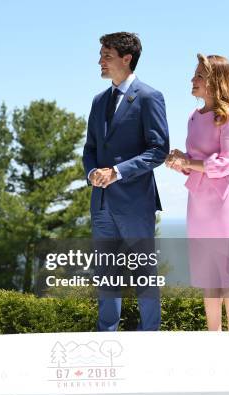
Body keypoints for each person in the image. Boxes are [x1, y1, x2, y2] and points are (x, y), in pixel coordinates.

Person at [82, 32, 169, 331]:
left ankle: (150, 336)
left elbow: (159, 150)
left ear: (126, 58)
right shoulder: (98, 101)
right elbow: (90, 149)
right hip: (102, 203)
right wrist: (92, 172)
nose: (100, 61)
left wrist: (116, 172)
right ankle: (106, 337)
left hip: (135, 202)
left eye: (106, 55)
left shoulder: (149, 97)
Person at [166, 54, 229, 331]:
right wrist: (180, 161)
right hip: (199, 202)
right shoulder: (193, 117)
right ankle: (213, 335)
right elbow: (196, 163)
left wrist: (188, 161)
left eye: (199, 75)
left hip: (226, 202)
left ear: (216, 81)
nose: (193, 79)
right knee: (207, 271)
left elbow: (227, 163)